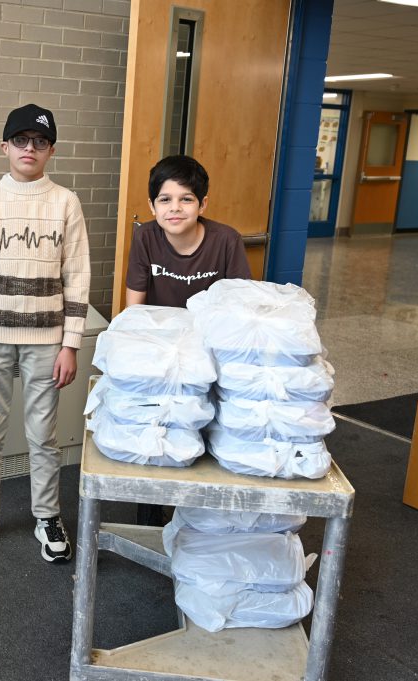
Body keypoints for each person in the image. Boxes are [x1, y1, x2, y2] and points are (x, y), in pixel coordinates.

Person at [0, 104, 91, 563]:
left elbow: (78, 277)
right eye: (21, 140)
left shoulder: (66, 202)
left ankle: (47, 516)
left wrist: (70, 345)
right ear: (5, 146)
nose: (30, 149)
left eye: (40, 142)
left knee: (43, 437)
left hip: (47, 342)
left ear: (51, 150)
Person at [125, 154, 250, 526]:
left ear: (203, 204)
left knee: (206, 432)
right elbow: (135, 310)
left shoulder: (226, 240)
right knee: (157, 430)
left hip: (210, 351)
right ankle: (150, 514)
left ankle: (203, 517)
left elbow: (238, 310)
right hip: (162, 351)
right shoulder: (145, 237)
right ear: (152, 205)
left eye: (186, 199)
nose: (174, 208)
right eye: (165, 199)